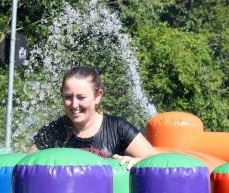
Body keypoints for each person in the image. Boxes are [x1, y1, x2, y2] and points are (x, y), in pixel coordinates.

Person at [29, 65, 158, 169]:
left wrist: (137, 162)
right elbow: (24, 166)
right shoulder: (52, 132)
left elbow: (158, 163)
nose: (74, 105)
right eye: (68, 97)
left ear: (98, 96)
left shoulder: (118, 129)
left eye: (81, 97)